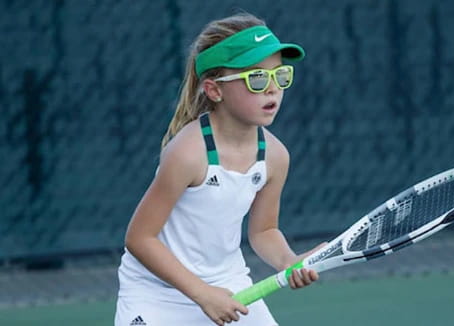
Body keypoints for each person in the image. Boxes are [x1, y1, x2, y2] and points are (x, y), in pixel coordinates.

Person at [115, 12, 322, 326]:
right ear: (214, 90)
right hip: (156, 292)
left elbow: (264, 231)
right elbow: (140, 239)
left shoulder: (275, 156)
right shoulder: (187, 153)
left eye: (280, 75)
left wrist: (289, 261)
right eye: (256, 78)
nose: (272, 89)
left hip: (230, 285)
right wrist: (202, 293)